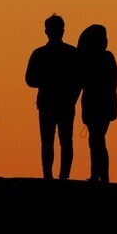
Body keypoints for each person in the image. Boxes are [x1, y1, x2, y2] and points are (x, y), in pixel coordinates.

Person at [25, 14, 81, 180]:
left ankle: (50, 176)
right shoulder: (72, 53)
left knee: (49, 142)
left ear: (46, 31)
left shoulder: (40, 53)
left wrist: (46, 81)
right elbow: (80, 80)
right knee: (64, 141)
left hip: (50, 103)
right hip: (61, 103)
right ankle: (61, 176)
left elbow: (30, 80)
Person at [78, 24, 117, 183]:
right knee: (97, 139)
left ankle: (100, 176)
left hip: (99, 105)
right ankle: (99, 175)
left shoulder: (103, 58)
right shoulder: (106, 57)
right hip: (101, 105)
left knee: (97, 139)